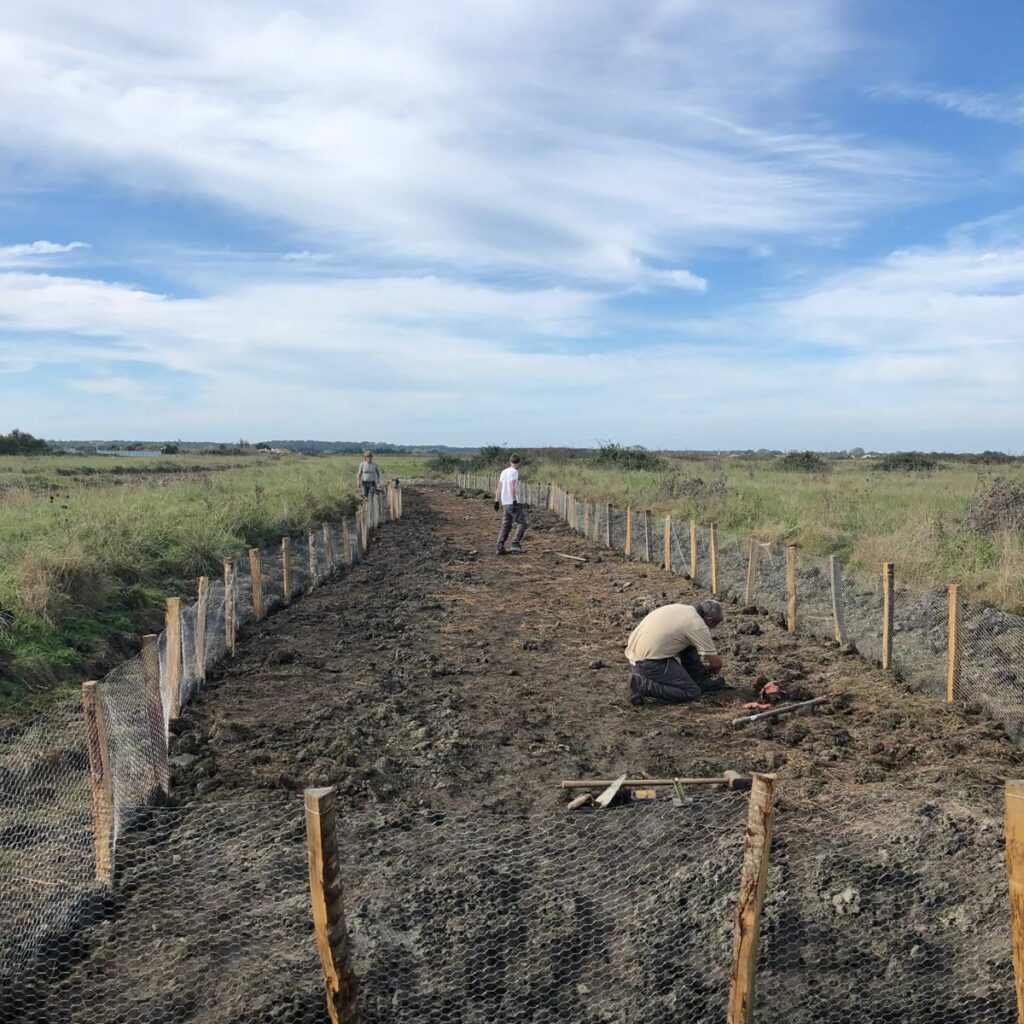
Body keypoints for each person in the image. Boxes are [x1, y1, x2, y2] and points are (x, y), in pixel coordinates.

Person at [624, 600, 725, 705]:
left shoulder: (683, 609)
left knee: (689, 646)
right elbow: (716, 664)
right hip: (648, 663)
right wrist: (711, 672)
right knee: (691, 692)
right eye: (715, 624)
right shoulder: (698, 625)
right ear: (710, 620)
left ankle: (698, 680)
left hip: (636, 656)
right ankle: (642, 685)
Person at [494, 454, 527, 555]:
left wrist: (496, 500)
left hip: (504, 502)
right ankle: (515, 543)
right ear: (518, 463)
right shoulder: (514, 472)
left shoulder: (504, 472)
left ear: (510, 461)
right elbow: (512, 486)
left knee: (506, 525)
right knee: (522, 523)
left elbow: (499, 486)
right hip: (511, 502)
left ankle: (500, 547)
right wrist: (514, 501)